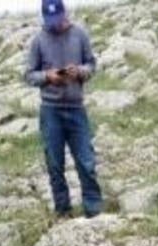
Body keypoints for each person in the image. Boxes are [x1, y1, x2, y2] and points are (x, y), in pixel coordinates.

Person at [23, 0, 102, 219]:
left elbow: (92, 64)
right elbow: (28, 75)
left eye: (57, 19)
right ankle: (63, 211)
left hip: (76, 108)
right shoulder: (38, 40)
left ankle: (94, 210)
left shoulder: (80, 34)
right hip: (50, 111)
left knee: (86, 161)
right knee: (55, 164)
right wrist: (47, 76)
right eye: (50, 20)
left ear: (64, 12)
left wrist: (80, 72)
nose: (55, 24)